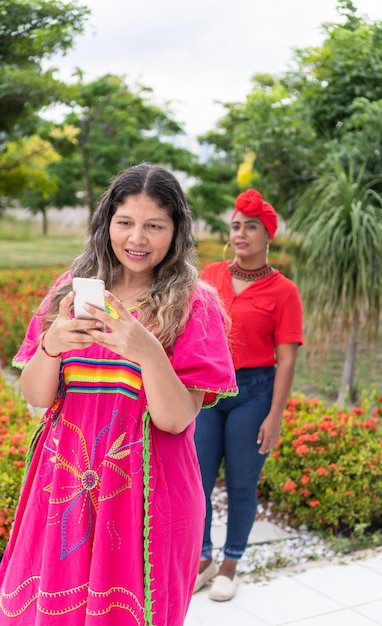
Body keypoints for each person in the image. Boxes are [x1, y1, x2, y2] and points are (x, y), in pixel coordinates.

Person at [0, 163, 237, 626]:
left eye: (154, 225)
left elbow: (175, 419)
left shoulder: (195, 303)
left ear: (177, 230)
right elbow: (36, 395)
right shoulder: (73, 290)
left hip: (148, 497)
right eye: (125, 222)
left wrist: (148, 353)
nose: (138, 238)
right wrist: (53, 345)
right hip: (63, 489)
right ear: (107, 221)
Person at [194, 188, 303, 601]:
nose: (241, 234)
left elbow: (287, 360)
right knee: (197, 480)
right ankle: (202, 559)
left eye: (251, 227)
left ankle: (230, 565)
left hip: (254, 393)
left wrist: (275, 414)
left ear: (267, 235)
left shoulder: (284, 291)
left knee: (241, 484)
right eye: (236, 226)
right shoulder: (210, 276)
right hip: (207, 392)